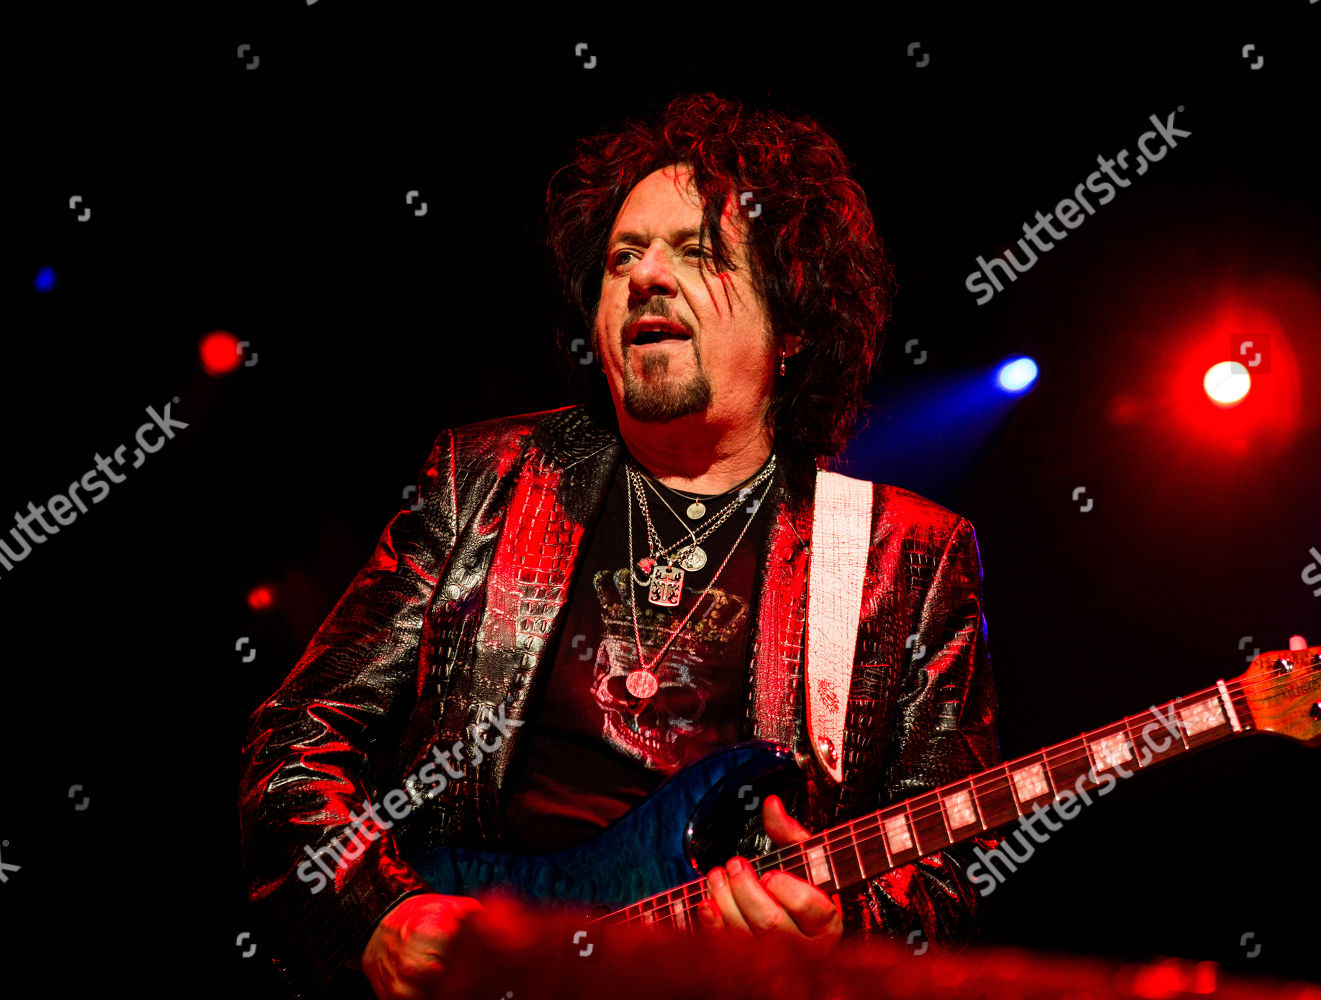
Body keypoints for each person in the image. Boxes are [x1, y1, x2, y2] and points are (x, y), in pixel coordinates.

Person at [239, 92, 1003, 999]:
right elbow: (297, 739)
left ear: (795, 323)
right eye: (622, 257)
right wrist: (376, 913)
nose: (646, 278)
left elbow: (953, 877)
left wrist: (840, 929)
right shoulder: (487, 481)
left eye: (698, 252)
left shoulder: (900, 557)